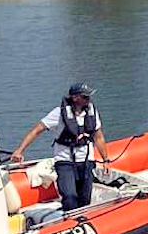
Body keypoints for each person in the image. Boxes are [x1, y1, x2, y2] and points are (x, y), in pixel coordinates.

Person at [10, 83, 111, 211]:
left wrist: (106, 160)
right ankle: (68, 220)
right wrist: (19, 150)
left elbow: (99, 137)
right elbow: (36, 130)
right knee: (69, 196)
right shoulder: (58, 113)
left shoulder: (92, 113)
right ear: (75, 98)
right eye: (85, 97)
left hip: (86, 161)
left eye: (89, 97)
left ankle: (82, 219)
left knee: (84, 198)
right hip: (65, 161)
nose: (88, 99)